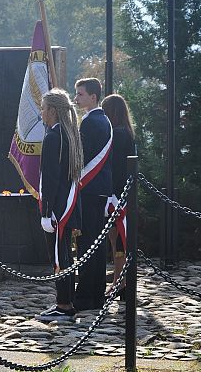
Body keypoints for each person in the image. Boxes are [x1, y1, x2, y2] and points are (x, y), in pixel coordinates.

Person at [36, 89, 83, 321]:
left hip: (57, 209)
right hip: (68, 203)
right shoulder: (68, 134)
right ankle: (66, 301)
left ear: (53, 111)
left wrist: (46, 211)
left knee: (59, 257)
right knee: (65, 256)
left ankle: (63, 305)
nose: (41, 112)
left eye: (44, 108)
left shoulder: (53, 137)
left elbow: (50, 179)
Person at [73, 78, 113, 311]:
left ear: (93, 97)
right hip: (99, 190)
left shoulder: (90, 123)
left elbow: (82, 158)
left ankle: (86, 296)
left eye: (80, 94)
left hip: (89, 191)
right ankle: (95, 294)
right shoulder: (102, 120)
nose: (76, 98)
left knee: (87, 243)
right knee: (96, 245)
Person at [101, 94, 136, 299]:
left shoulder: (118, 134)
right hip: (124, 192)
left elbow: (113, 167)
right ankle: (120, 280)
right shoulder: (127, 133)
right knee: (119, 241)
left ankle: (119, 282)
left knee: (118, 241)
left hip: (117, 194)